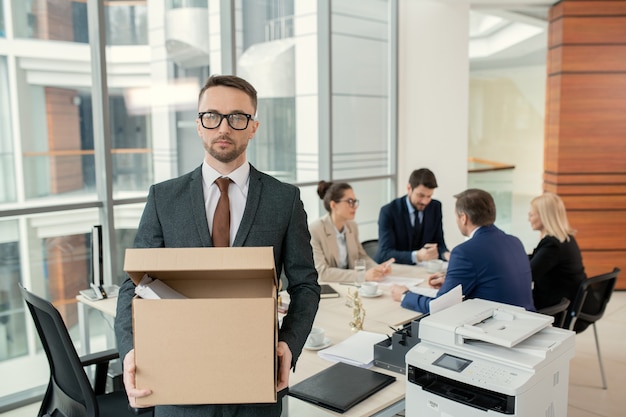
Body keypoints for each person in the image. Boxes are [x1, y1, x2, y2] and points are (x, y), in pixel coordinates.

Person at [114, 74, 320, 417]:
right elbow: (133, 284)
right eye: (212, 116)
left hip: (256, 387)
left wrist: (289, 343)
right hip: (179, 386)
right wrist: (130, 350)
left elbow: (305, 285)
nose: (223, 127)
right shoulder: (164, 198)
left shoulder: (284, 200)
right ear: (199, 125)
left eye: (237, 117)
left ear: (253, 127)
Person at [391, 188, 535, 313]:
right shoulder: (515, 242)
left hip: (496, 334)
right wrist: (453, 284)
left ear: (464, 218)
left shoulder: (464, 252)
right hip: (528, 325)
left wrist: (405, 295)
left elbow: (440, 308)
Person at [309, 180, 395, 283]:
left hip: (350, 286)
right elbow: (322, 273)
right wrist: (362, 275)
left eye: (355, 201)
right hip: (328, 289)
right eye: (350, 202)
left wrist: (378, 269)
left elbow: (361, 257)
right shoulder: (315, 230)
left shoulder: (352, 226)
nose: (355, 206)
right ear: (333, 205)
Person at [375, 168, 450, 265]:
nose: (425, 201)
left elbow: (439, 243)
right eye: (421, 195)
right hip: (396, 270)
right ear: (409, 188)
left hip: (421, 270)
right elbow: (384, 254)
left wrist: (445, 254)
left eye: (429, 196)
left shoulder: (435, 207)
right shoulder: (389, 211)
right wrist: (416, 256)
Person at [528, 192, 586, 310]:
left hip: (559, 307)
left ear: (544, 217)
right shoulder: (565, 238)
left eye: (531, 215)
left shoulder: (552, 245)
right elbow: (537, 258)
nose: (528, 219)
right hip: (571, 300)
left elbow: (528, 275)